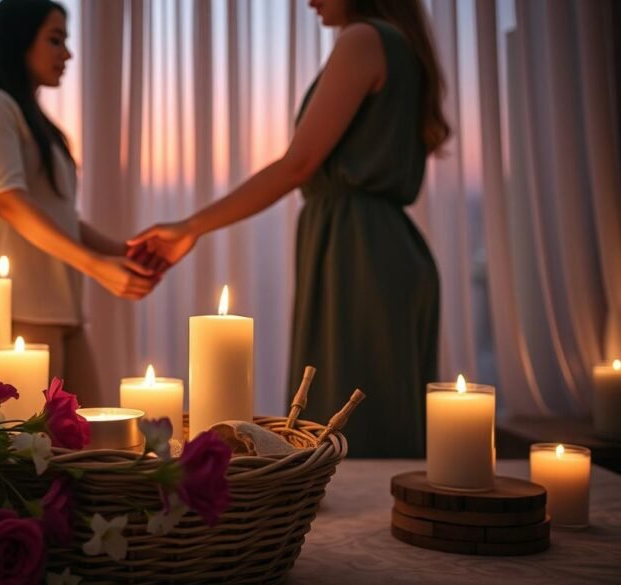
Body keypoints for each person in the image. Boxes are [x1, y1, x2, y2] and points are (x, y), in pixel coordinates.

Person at [129, 0, 449, 457]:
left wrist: (192, 226)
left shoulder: (364, 39)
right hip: (377, 244)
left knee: (350, 423)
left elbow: (297, 164)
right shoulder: (399, 45)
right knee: (372, 416)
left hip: (359, 250)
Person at [0, 0, 157, 406]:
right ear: (18, 40)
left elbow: (61, 215)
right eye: (55, 40)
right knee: (32, 440)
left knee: (94, 433)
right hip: (19, 306)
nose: (67, 54)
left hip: (59, 305)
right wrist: (96, 265)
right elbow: (9, 202)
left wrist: (126, 252)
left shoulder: (34, 120)